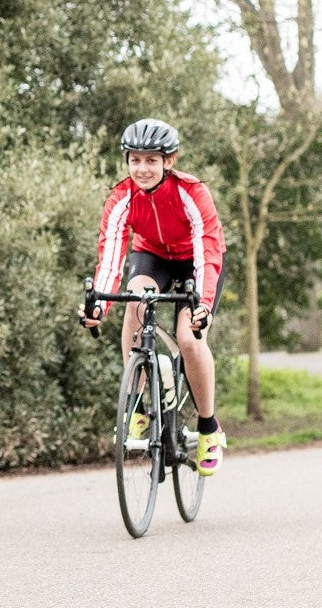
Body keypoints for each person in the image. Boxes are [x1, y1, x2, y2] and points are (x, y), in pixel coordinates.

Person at [81, 118, 227, 476]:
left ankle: (209, 428)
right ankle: (137, 409)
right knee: (137, 298)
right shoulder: (121, 197)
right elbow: (112, 252)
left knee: (188, 339)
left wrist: (202, 307)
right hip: (153, 257)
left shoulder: (192, 193)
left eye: (151, 160)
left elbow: (206, 252)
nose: (142, 168)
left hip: (197, 260)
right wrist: (99, 304)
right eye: (135, 160)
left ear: (169, 161)